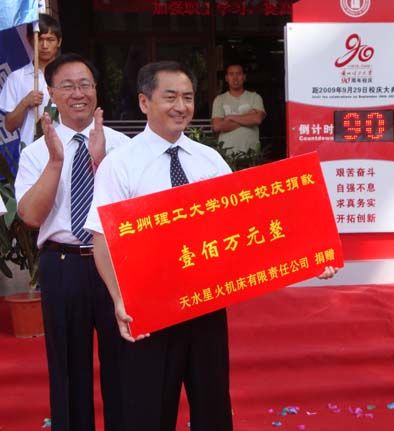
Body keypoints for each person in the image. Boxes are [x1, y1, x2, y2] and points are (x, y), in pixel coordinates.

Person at [85, 61, 336, 431]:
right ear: (144, 102)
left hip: (206, 303)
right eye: (170, 97)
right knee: (148, 409)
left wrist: (308, 255)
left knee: (213, 406)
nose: (181, 106)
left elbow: (244, 229)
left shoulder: (210, 159)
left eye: (188, 98)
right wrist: (120, 299)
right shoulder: (120, 164)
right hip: (149, 309)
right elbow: (102, 239)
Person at [15, 53, 130, 431]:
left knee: (123, 363)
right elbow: (31, 216)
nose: (78, 93)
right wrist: (55, 162)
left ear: (96, 90)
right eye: (67, 86)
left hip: (115, 262)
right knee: (68, 368)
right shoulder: (36, 152)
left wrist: (100, 164)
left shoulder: (124, 147)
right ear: (51, 93)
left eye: (85, 85)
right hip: (62, 265)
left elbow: (133, 214)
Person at [0, 13, 61, 146]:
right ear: (29, 39)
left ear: (59, 41)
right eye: (39, 39)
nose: (44, 45)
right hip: (30, 150)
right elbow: (9, 126)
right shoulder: (16, 78)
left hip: (67, 149)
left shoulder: (69, 75)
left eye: (50, 39)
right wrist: (25, 103)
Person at [211, 63, 265, 153]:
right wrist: (248, 117)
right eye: (231, 74)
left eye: (238, 74)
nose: (235, 78)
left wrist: (230, 117)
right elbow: (217, 126)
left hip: (250, 152)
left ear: (244, 77)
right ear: (226, 78)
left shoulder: (255, 97)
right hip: (226, 153)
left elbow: (257, 119)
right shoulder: (219, 99)